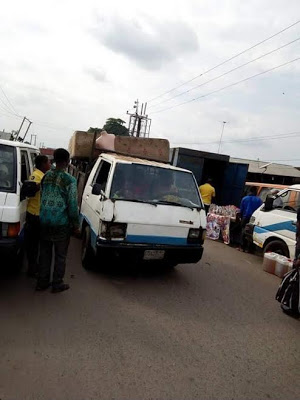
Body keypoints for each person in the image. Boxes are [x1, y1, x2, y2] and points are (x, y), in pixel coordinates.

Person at [36, 148, 80, 293]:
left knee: (45, 253)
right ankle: (57, 284)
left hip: (44, 220)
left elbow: (42, 196)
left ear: (54, 159)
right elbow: (73, 205)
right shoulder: (70, 180)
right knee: (60, 255)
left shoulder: (46, 176)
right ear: (67, 162)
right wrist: (76, 225)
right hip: (61, 223)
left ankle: (42, 282)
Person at [25, 155, 51, 277]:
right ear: (42, 164)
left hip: (40, 214)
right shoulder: (36, 175)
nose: (50, 165)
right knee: (33, 245)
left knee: (38, 244)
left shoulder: (43, 175)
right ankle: (32, 269)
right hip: (34, 214)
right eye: (48, 163)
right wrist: (42, 184)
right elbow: (31, 190)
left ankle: (35, 267)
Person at [238, 186, 263, 251]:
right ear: (256, 192)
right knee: (252, 233)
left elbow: (241, 210)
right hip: (254, 219)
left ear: (250, 191)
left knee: (243, 231)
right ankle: (250, 249)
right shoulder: (259, 200)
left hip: (245, 217)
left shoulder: (245, 198)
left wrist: (240, 217)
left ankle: (242, 247)